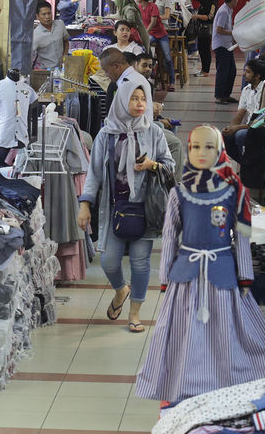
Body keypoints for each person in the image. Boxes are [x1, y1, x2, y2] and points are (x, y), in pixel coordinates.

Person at [135, 125, 265, 403]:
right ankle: (185, 381)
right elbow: (169, 237)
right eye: (195, 147)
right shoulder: (178, 194)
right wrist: (165, 276)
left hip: (223, 274)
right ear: (188, 150)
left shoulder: (234, 193)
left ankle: (223, 379)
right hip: (186, 276)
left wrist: (245, 276)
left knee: (225, 331)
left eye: (209, 147)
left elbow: (242, 236)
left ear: (219, 151)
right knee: (184, 331)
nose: (201, 152)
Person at [78, 71, 175, 333]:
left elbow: (170, 164)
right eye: (133, 98)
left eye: (143, 98)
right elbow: (94, 173)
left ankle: (135, 312)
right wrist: (85, 204)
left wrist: (152, 164)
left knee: (141, 262)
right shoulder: (107, 135)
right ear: (121, 101)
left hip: (145, 209)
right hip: (115, 209)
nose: (140, 103)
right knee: (109, 261)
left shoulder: (153, 131)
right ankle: (121, 290)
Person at [222, 59, 265, 163]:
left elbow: (261, 121)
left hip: (262, 128)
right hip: (248, 126)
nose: (244, 74)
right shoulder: (247, 89)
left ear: (257, 76)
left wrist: (238, 128)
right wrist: (231, 128)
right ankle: (245, 163)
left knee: (240, 135)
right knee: (225, 136)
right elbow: (241, 111)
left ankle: (249, 164)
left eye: (248, 72)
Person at [137, 0, 175, 92]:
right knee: (143, 49)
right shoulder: (139, 7)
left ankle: (172, 82)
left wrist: (145, 33)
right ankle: (150, 69)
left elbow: (153, 22)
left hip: (160, 34)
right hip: (150, 33)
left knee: (167, 57)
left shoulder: (153, 6)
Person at [178, 0, 218, 76]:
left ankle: (206, 71)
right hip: (200, 29)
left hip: (206, 29)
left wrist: (197, 16)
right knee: (201, 49)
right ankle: (203, 70)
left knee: (205, 50)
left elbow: (209, 17)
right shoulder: (204, 0)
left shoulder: (213, 3)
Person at [212, 0, 239, 105]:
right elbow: (219, 30)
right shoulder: (223, 11)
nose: (237, 1)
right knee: (223, 71)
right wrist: (234, 33)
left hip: (227, 45)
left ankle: (226, 95)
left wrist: (232, 38)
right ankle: (219, 96)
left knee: (231, 71)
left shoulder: (228, 10)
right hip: (221, 46)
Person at [32, 0, 69, 70]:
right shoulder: (35, 35)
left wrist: (65, 55)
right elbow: (30, 56)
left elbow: (66, 40)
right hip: (46, 71)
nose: (47, 17)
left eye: (49, 13)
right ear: (37, 16)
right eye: (44, 14)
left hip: (62, 69)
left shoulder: (60, 25)